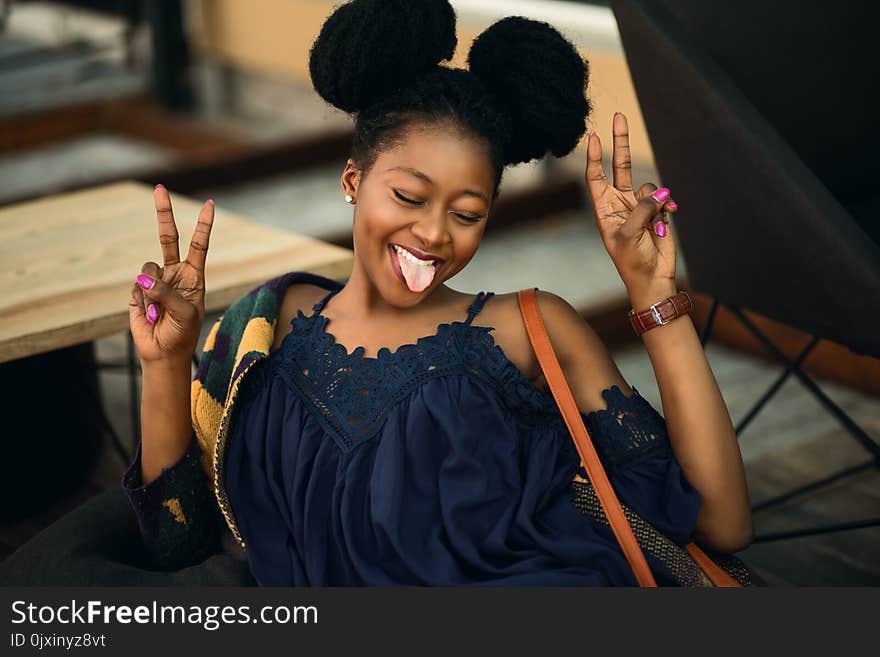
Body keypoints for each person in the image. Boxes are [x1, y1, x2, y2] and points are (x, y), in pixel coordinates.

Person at [122, 0, 755, 586]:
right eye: (408, 196)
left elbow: (722, 523)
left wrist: (654, 293)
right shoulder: (260, 332)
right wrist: (164, 363)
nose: (432, 234)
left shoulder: (529, 330)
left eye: (468, 212)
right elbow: (178, 544)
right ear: (353, 179)